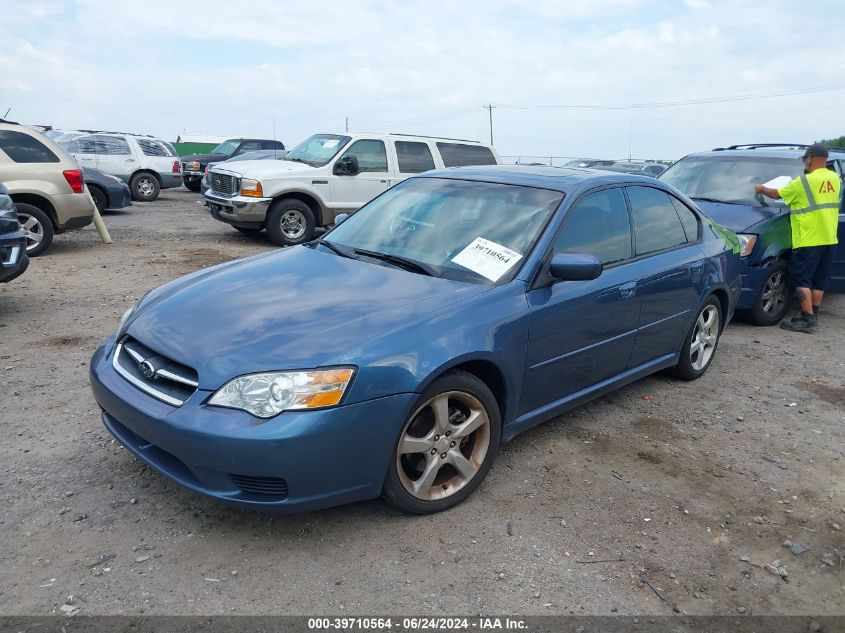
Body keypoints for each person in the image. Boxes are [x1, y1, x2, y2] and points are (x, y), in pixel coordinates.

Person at [754, 144, 841, 333]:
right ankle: (812, 314)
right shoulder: (835, 178)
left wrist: (761, 188)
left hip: (809, 240)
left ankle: (807, 319)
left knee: (802, 280)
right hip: (829, 238)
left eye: (804, 159)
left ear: (810, 158)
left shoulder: (804, 182)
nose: (804, 163)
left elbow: (776, 194)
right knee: (819, 280)